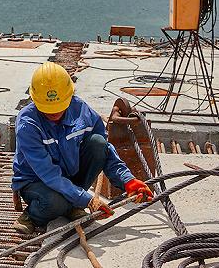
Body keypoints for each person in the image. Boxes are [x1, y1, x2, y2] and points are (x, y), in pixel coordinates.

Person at [11, 62, 153, 234]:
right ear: (35, 99)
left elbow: (105, 150)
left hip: (70, 176)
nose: (54, 113)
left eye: (59, 107)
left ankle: (71, 204)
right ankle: (32, 216)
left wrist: (128, 181)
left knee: (98, 143)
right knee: (55, 203)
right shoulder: (28, 124)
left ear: (70, 95)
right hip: (36, 181)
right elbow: (49, 174)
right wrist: (87, 200)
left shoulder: (82, 111)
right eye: (48, 109)